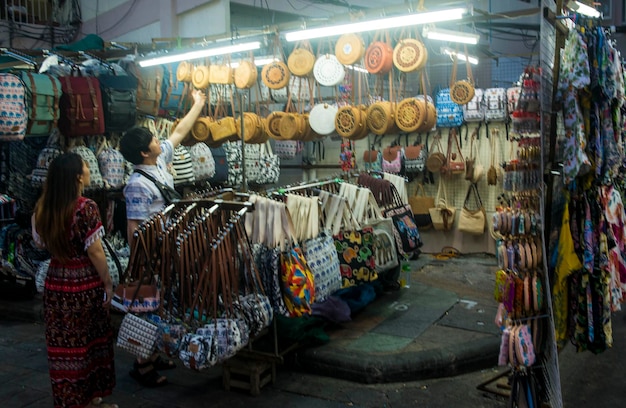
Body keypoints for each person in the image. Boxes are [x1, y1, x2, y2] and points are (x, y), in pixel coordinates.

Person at [119, 88, 206, 387]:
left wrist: (199, 104)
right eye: (154, 140)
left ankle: (153, 354)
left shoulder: (158, 163)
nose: (160, 140)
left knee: (161, 303)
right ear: (144, 151)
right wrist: (141, 262)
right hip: (151, 252)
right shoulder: (136, 185)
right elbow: (134, 227)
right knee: (147, 305)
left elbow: (180, 131)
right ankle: (142, 366)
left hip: (166, 246)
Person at [32, 153, 117, 408]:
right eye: (86, 166)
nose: (90, 169)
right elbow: (95, 251)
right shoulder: (85, 207)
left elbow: (39, 243)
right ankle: (90, 398)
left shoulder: (42, 208)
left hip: (57, 280)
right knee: (90, 343)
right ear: (78, 176)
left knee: (65, 347)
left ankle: (75, 400)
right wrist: (108, 282)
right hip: (84, 282)